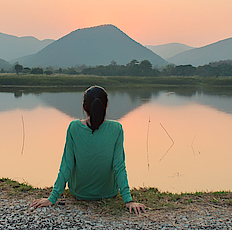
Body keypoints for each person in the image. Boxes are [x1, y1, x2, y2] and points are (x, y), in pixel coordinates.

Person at [30, 86, 146, 214]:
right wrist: (128, 200)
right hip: (108, 193)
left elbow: (67, 165)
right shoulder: (116, 128)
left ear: (84, 107)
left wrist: (52, 198)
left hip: (79, 193)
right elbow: (119, 166)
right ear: (106, 106)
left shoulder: (74, 127)